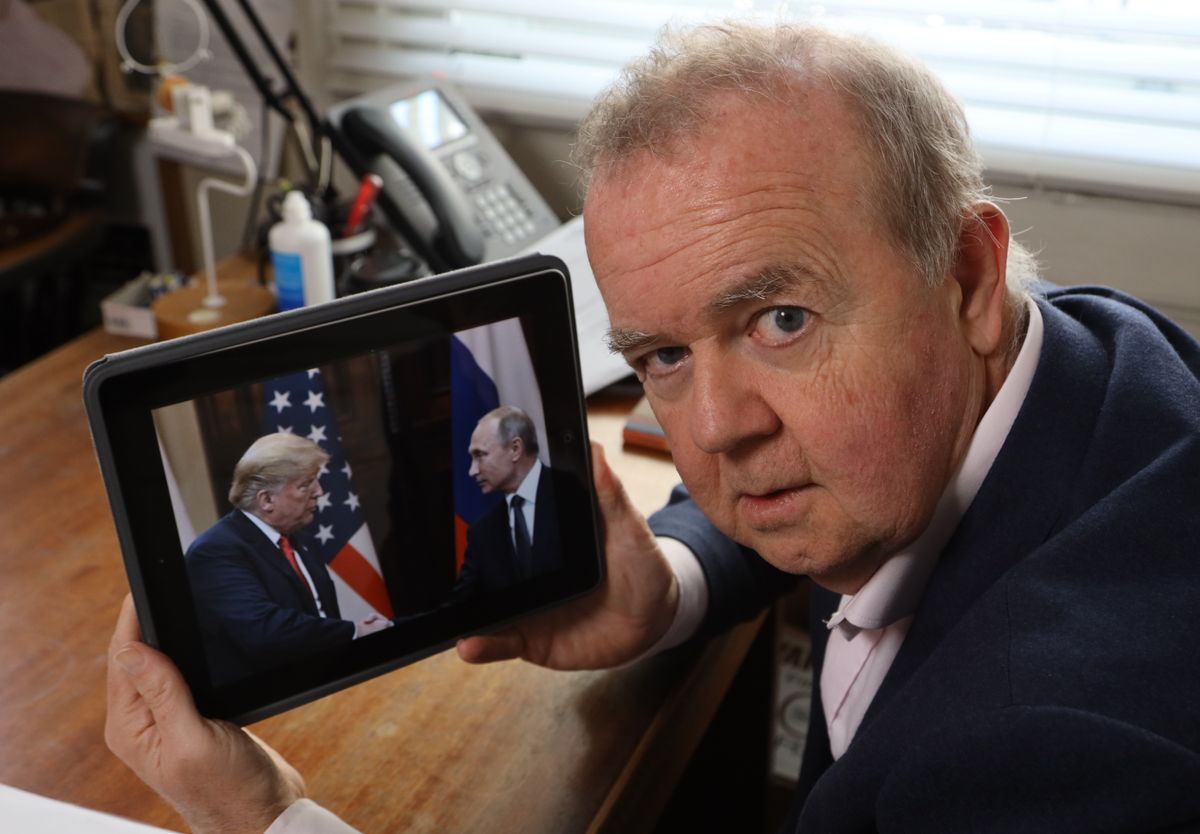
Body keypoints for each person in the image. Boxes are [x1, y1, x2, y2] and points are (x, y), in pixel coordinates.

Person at [106, 21, 1200, 833]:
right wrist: (672, 584)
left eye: (780, 318)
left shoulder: (1061, 755)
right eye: (665, 356)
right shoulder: (1084, 356)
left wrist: (266, 815)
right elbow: (844, 481)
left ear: (964, 271)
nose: (714, 431)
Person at [185, 432, 391, 686]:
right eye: (306, 485)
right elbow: (264, 630)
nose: (320, 491)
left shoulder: (298, 538)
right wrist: (354, 632)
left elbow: (320, 616)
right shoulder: (215, 551)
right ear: (267, 500)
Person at [454, 406, 565, 598]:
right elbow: (460, 606)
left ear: (515, 449)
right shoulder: (482, 533)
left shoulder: (573, 491)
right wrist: (393, 626)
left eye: (480, 455)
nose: (472, 471)